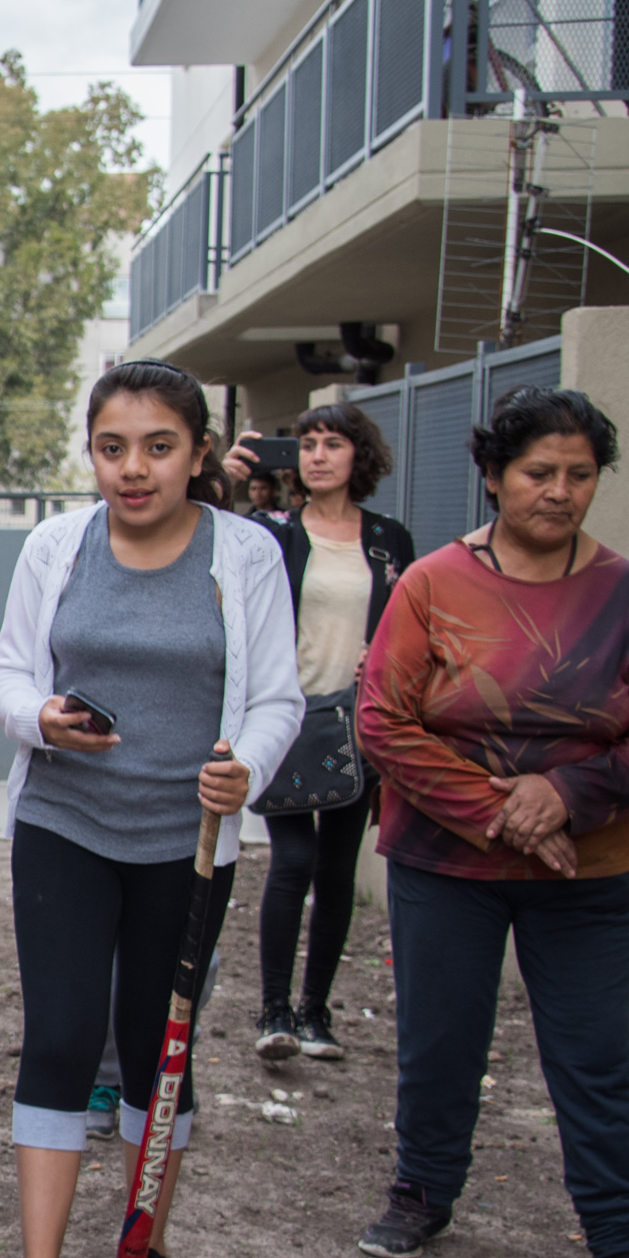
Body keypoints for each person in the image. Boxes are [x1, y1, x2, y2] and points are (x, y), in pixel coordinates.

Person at [0, 361, 301, 1258]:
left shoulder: (243, 555)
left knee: (162, 1045)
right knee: (64, 1034)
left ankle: (142, 1244)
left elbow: (279, 695)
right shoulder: (57, 545)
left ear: (197, 452)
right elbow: (7, 670)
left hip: (188, 842)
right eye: (113, 446)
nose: (133, 467)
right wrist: (42, 717)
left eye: (158, 446)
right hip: (65, 827)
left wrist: (245, 767)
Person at [353, 386, 629, 1258]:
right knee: (441, 1037)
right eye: (540, 472)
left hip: (590, 867)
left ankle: (622, 1246)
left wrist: (564, 798)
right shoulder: (434, 584)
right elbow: (384, 722)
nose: (561, 491)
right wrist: (506, 809)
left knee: (594, 1054)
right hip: (444, 860)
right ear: (494, 476)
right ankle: (422, 1191)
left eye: (581, 475)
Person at [221, 408, 415, 1063]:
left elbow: (413, 625)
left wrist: (385, 653)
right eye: (306, 444)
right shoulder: (272, 533)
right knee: (293, 860)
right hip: (286, 721)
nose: (317, 456)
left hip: (356, 725)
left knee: (336, 871)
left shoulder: (389, 540)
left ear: (360, 456)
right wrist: (227, 473)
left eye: (332, 444)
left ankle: (316, 1012)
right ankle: (274, 1009)